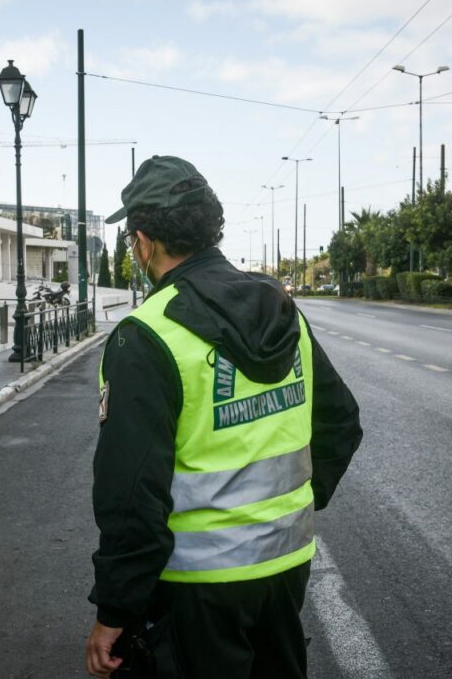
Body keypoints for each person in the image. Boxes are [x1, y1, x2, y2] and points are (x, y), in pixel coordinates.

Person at [84, 155, 363, 678]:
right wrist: (293, 507)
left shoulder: (146, 334)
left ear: (143, 242)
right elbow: (341, 422)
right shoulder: (281, 311)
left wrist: (115, 609)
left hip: (197, 587)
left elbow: (130, 495)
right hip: (285, 567)